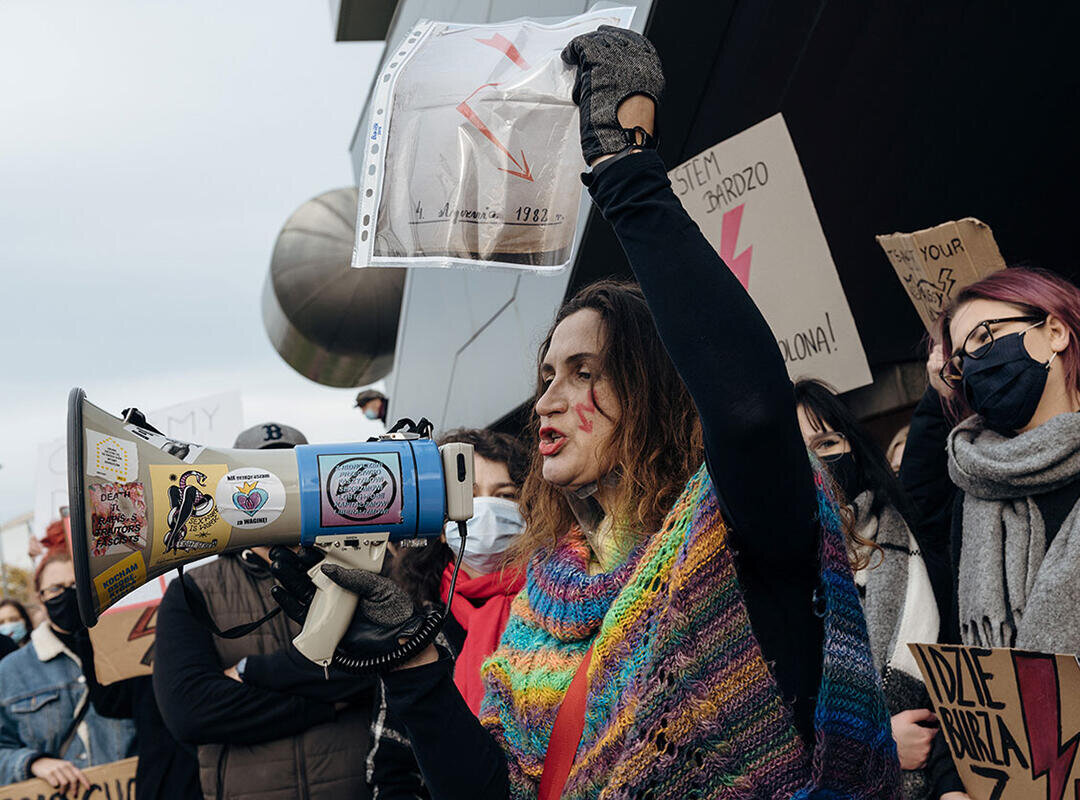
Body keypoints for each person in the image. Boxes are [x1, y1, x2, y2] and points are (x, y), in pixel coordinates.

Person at [273, 27, 900, 799]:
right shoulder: (548, 596)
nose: (547, 399)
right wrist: (413, 662)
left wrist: (627, 171)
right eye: (544, 375)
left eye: (583, 372)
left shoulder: (741, 533)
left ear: (655, 393)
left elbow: (747, 410)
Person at [900, 267, 1080, 799]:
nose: (974, 367)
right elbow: (968, 677)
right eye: (960, 363)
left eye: (986, 339)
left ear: (1055, 332)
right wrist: (950, 785)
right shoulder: (972, 502)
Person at [154, 422, 376, 800]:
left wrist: (250, 677)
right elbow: (189, 711)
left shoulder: (362, 568)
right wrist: (331, 701)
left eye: (290, 475)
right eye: (264, 476)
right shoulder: (192, 592)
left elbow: (378, 669)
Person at [795, 380, 943, 799]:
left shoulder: (910, 531)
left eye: (826, 443)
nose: (816, 461)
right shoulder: (772, 573)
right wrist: (878, 744)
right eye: (799, 450)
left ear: (853, 446)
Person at [365, 427, 529, 799]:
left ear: (530, 513)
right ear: (440, 524)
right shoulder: (416, 628)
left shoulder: (559, 611)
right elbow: (391, 767)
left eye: (505, 496)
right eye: (466, 497)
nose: (483, 510)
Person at [0, 549, 135, 794]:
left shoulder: (126, 654)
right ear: (40, 597)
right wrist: (32, 762)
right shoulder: (10, 671)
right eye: (55, 589)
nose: (68, 595)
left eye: (76, 585)